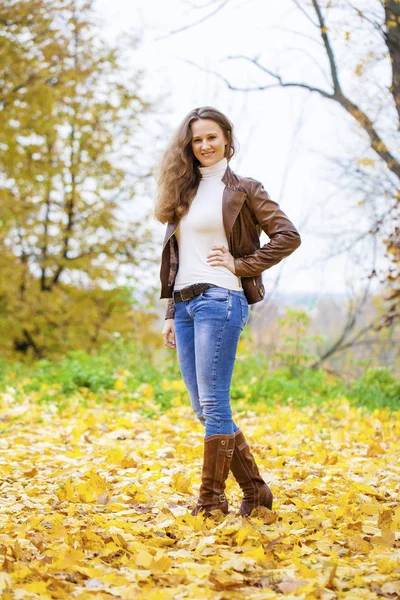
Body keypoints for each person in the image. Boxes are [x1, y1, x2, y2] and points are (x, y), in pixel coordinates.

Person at [154, 106, 301, 518]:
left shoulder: (245, 188)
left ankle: (211, 499)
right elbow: (179, 257)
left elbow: (288, 236)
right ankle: (255, 491)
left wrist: (240, 264)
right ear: (189, 145)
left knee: (215, 404)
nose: (204, 145)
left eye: (212, 137)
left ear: (226, 139)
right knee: (203, 407)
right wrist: (169, 311)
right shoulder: (182, 191)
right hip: (183, 305)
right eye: (197, 139)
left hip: (220, 299)